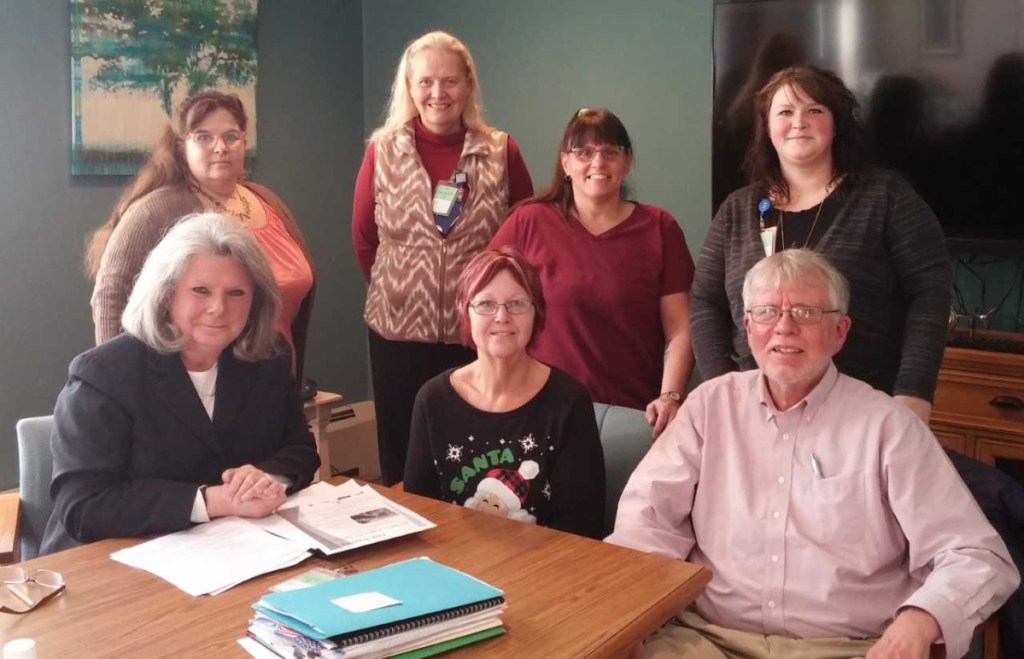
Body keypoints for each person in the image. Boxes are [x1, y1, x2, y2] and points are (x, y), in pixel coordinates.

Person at [607, 250, 1018, 659]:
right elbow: (647, 522)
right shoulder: (708, 407)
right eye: (767, 312)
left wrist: (921, 620)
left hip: (848, 648)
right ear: (748, 328)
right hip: (704, 639)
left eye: (806, 313)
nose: (784, 327)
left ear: (840, 331)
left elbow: (977, 555)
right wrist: (629, 609)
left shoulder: (888, 427)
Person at [42, 213, 320, 555]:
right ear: (165, 294)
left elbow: (300, 449)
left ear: (255, 302)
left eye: (236, 293)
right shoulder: (104, 375)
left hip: (230, 550)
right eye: (200, 290)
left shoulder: (269, 357)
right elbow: (84, 506)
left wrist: (265, 479)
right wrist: (212, 501)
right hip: (109, 561)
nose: (218, 308)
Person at [691, 65, 951, 423]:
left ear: (836, 123)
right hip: (754, 413)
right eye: (785, 112)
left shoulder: (887, 197)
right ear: (767, 126)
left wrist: (914, 390)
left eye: (814, 110)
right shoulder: (737, 209)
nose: (799, 122)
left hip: (862, 411)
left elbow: (930, 293)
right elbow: (705, 301)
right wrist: (723, 385)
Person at [353, 31, 534, 485]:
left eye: (450, 81)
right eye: (426, 81)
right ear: (409, 87)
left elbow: (524, 240)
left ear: (468, 84)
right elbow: (364, 238)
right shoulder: (383, 149)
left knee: (471, 453)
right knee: (402, 455)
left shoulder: (501, 151)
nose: (438, 93)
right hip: (396, 331)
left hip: (476, 332)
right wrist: (404, 291)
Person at [490, 108, 694, 438]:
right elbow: (485, 307)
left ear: (627, 161)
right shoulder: (528, 222)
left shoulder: (660, 228)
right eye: (584, 153)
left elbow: (680, 329)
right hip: (540, 413)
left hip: (634, 418)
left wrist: (670, 397)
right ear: (566, 163)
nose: (598, 163)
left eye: (610, 152)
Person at [87, 90, 315, 377]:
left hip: (274, 379)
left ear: (244, 141)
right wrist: (120, 379)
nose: (220, 147)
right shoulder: (153, 212)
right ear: (182, 147)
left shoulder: (268, 202)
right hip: (187, 385)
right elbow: (111, 295)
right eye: (204, 137)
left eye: (231, 136)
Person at [403, 248, 605, 538]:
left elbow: (582, 530)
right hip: (453, 559)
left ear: (537, 313)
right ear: (465, 312)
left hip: (544, 563)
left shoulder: (569, 402)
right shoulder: (432, 400)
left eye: (517, 304)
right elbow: (420, 515)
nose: (502, 316)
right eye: (486, 304)